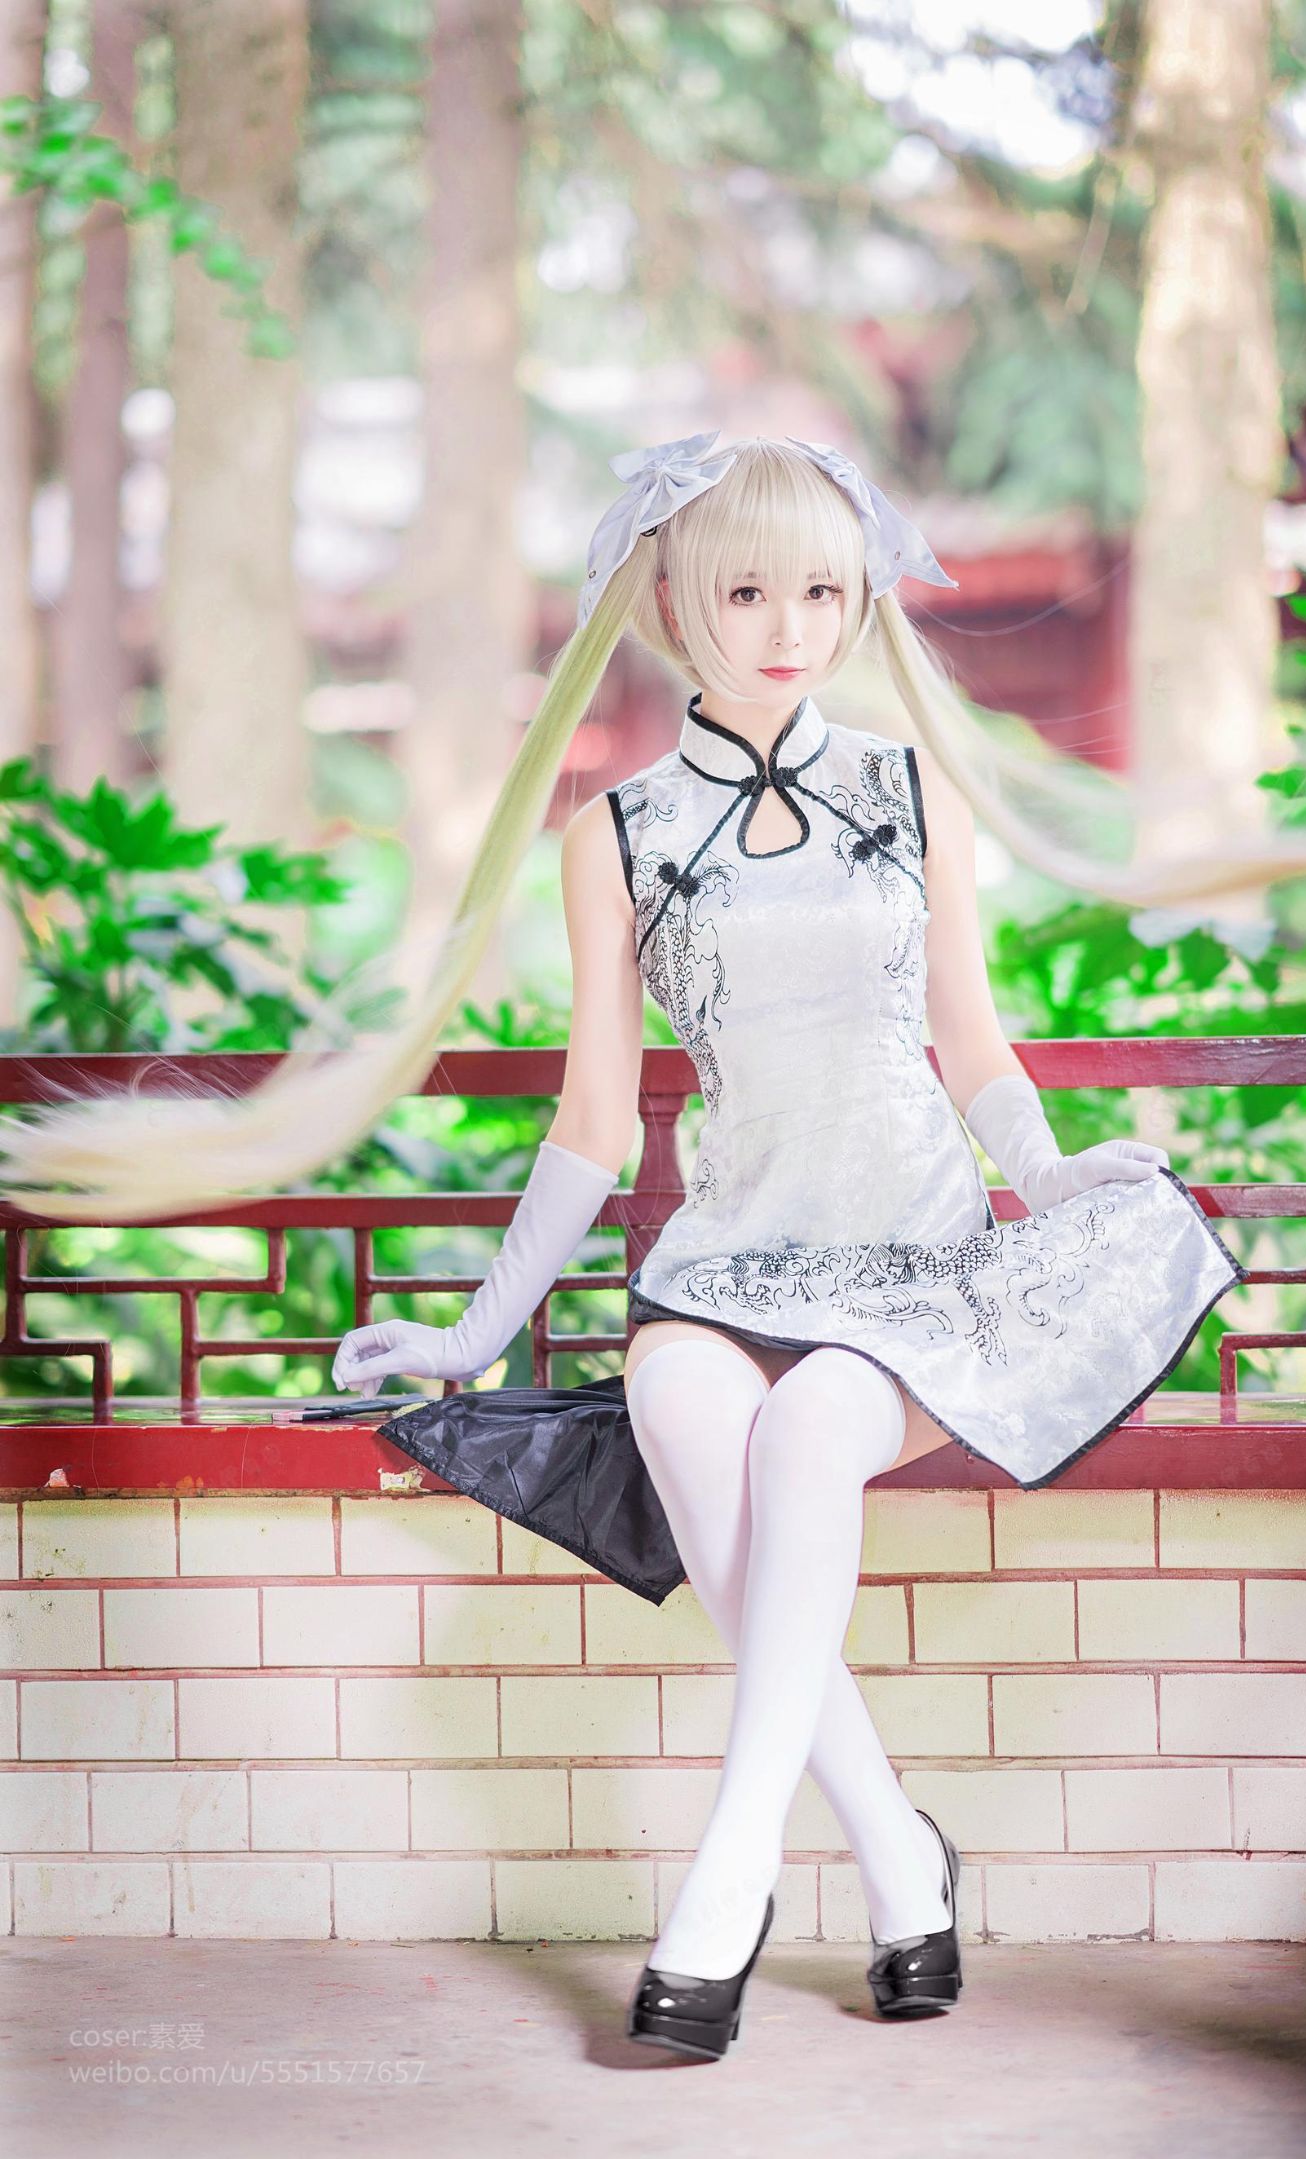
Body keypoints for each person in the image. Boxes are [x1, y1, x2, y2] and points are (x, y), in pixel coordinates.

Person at [323, 435, 1246, 2059]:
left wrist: (1046, 1177)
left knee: (813, 1429)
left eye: (824, 590)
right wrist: (473, 1331)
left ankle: (730, 1877)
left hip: (913, 1261)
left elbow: (973, 1043)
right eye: (747, 591)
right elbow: (593, 1123)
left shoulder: (910, 790)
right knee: (686, 1409)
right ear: (672, 600)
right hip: (722, 1267)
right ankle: (897, 1853)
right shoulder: (615, 833)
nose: (791, 627)